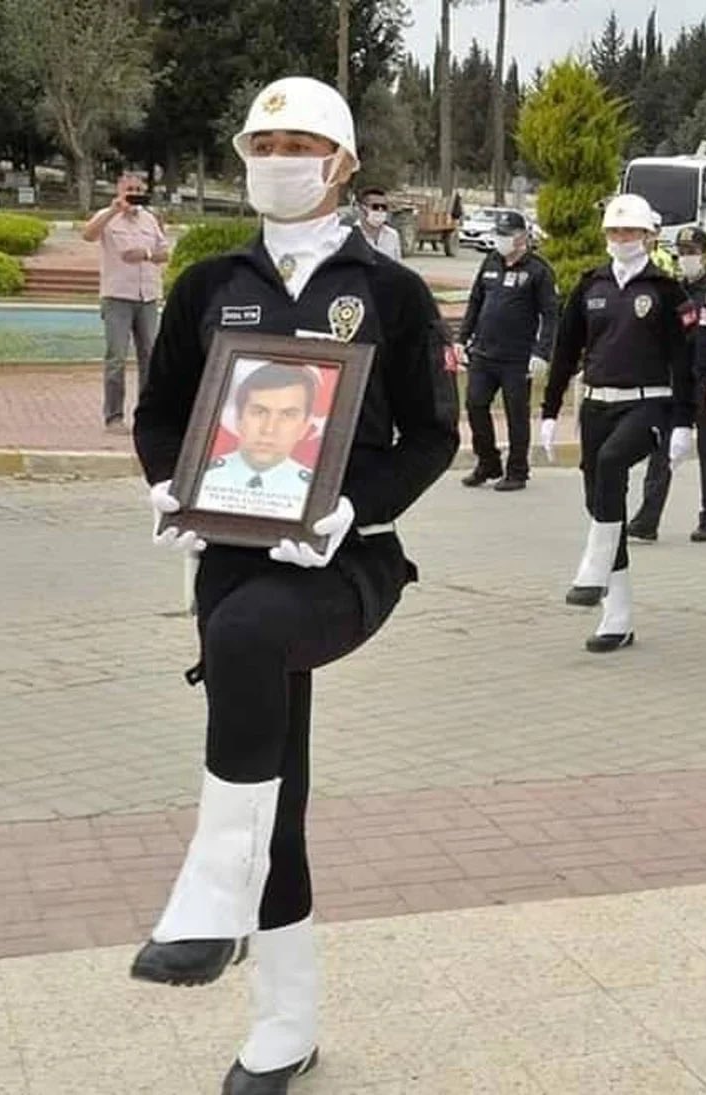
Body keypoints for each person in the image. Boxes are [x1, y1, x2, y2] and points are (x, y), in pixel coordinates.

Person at [130, 76, 459, 1095]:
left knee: (244, 644)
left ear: (344, 163)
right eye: (262, 139)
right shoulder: (208, 281)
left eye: (300, 141)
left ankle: (210, 891)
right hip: (228, 552)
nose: (277, 156)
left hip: (342, 558)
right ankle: (286, 1026)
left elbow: (435, 435)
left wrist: (350, 507)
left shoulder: (391, 293)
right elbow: (162, 414)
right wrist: (164, 488)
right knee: (282, 790)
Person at [540, 192, 696, 652]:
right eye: (614, 231)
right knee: (601, 502)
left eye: (629, 232)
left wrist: (684, 422)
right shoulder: (591, 286)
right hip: (596, 405)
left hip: (648, 404)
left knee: (611, 465)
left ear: (648, 236)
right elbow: (565, 352)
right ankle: (618, 614)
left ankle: (593, 568)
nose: (621, 239)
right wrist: (549, 412)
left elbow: (684, 361)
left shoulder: (667, 292)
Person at [628, 226, 706, 542]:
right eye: (682, 253)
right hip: (676, 384)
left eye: (692, 252)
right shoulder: (673, 293)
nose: (686, 258)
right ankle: (647, 520)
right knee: (661, 450)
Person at [457, 210, 558, 491]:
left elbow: (550, 315)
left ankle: (517, 471)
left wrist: (542, 352)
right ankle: (488, 462)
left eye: (506, 235)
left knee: (516, 413)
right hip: (484, 352)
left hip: (517, 357)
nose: (500, 241)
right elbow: (475, 302)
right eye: (498, 235)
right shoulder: (490, 262)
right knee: (475, 405)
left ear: (522, 237)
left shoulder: (538, 270)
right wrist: (462, 338)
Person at [82, 171, 169, 433]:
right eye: (128, 188)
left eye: (138, 189)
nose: (133, 193)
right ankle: (114, 417)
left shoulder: (150, 219)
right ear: (119, 190)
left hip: (148, 297)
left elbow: (164, 253)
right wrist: (112, 210)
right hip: (117, 296)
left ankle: (148, 416)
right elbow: (88, 235)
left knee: (150, 358)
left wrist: (146, 253)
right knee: (116, 358)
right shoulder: (107, 217)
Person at [196, 363, 319, 522]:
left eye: (288, 415)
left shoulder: (315, 491)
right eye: (259, 412)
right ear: (238, 419)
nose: (269, 429)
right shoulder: (202, 477)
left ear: (304, 427)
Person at [356, 186, 402, 261]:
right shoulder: (350, 235)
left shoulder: (393, 235)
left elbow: (398, 265)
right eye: (375, 207)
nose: (380, 211)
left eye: (384, 207)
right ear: (362, 208)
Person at [648, 211, 678, 276]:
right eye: (648, 226)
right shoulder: (633, 254)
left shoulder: (667, 257)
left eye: (655, 226)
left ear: (659, 230)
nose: (651, 229)